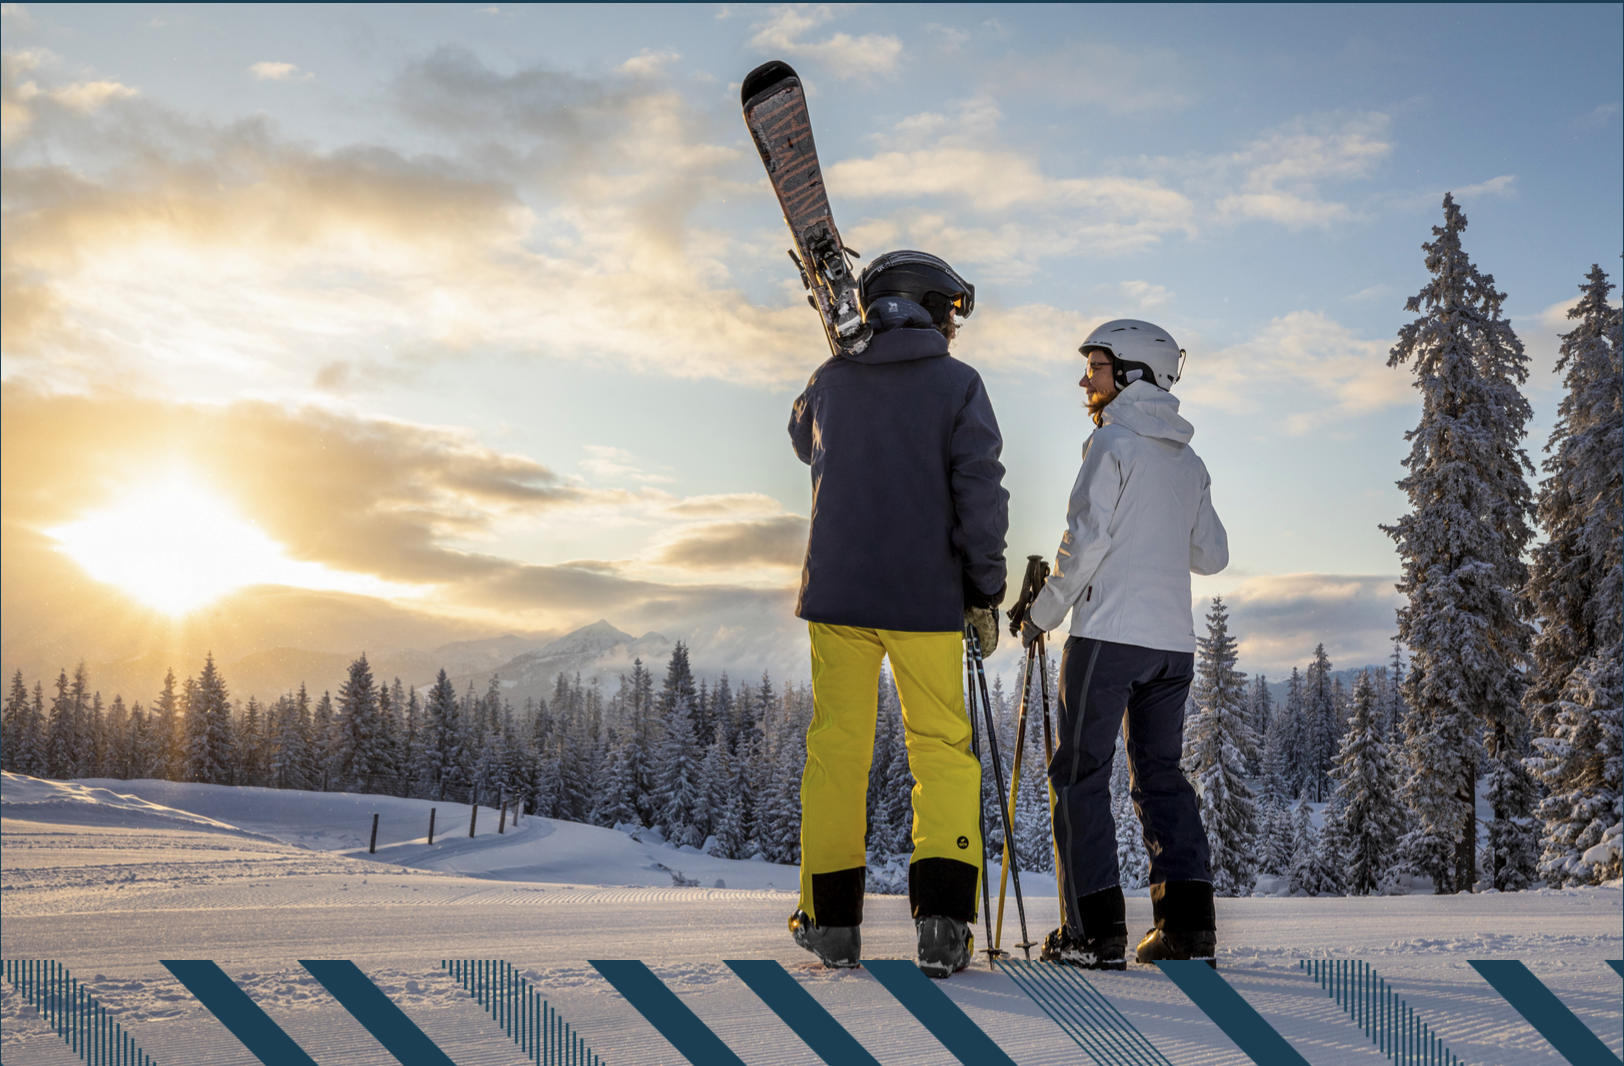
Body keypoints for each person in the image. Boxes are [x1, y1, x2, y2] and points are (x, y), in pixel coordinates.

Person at [786, 250, 1009, 978]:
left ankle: (829, 923)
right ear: (929, 307)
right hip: (925, 599)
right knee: (941, 751)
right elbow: (981, 495)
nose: (953, 326)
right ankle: (942, 926)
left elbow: (800, 438)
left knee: (837, 752)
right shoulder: (957, 384)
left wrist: (844, 363)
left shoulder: (827, 380)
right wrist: (985, 591)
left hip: (839, 596)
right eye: (951, 311)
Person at [1016, 319, 1228, 969]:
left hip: (1107, 637)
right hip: (1172, 646)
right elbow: (1212, 555)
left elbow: (1083, 544)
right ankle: (1187, 933)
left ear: (1132, 373)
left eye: (1097, 366)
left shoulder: (1111, 444)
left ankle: (1092, 933)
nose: (1086, 378)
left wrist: (1041, 613)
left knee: (1080, 775)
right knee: (1161, 777)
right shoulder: (1187, 460)